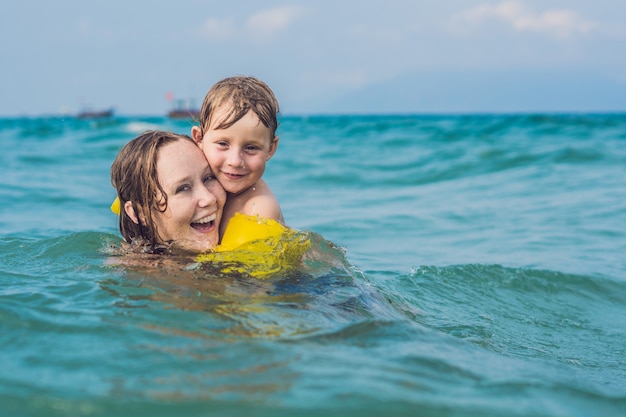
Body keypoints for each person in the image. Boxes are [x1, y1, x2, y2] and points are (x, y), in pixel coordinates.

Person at [191, 76, 283, 237]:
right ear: (199, 138)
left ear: (270, 148)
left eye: (251, 148)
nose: (235, 161)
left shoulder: (259, 211)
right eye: (222, 144)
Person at [110, 130, 226, 254]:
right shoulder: (134, 270)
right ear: (140, 212)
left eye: (208, 178)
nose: (209, 198)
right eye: (183, 188)